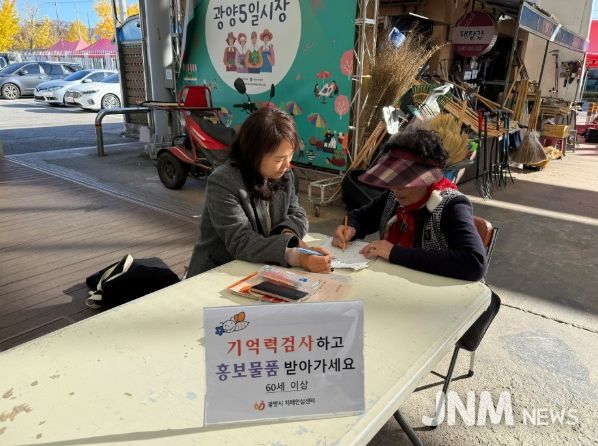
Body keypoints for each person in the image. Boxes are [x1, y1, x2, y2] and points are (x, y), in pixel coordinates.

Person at [187, 108, 332, 277]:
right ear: (254, 153)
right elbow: (241, 241)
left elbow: (297, 213)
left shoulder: (285, 175)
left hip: (262, 269)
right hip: (219, 273)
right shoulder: (223, 181)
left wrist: (289, 236)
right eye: (279, 159)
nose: (287, 165)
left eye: (290, 155)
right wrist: (295, 256)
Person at [332, 129, 487, 281]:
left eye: (405, 182)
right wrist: (350, 227)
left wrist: (395, 252)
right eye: (393, 181)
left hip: (433, 289)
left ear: (428, 180)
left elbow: (474, 263)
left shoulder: (452, 205)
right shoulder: (393, 196)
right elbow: (362, 216)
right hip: (395, 281)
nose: (396, 188)